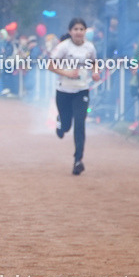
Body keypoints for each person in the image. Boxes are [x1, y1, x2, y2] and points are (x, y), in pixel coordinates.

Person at [48, 18, 100, 175]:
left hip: (82, 91)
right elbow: (50, 65)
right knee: (66, 126)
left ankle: (78, 160)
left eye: (81, 29)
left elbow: (94, 62)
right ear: (70, 31)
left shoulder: (89, 47)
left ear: (85, 31)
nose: (78, 32)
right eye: (75, 29)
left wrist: (96, 72)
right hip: (64, 91)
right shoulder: (63, 47)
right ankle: (60, 122)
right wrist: (67, 73)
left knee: (79, 124)